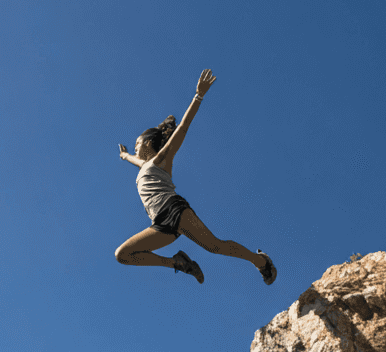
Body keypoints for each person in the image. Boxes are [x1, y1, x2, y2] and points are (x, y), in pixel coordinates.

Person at [114, 68, 275, 285]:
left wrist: (198, 95)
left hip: (173, 209)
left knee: (215, 246)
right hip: (160, 222)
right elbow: (137, 161)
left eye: (137, 143)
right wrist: (124, 156)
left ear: (148, 143)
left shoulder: (162, 159)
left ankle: (261, 261)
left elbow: (183, 127)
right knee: (123, 254)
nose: (135, 148)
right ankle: (178, 263)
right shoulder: (145, 165)